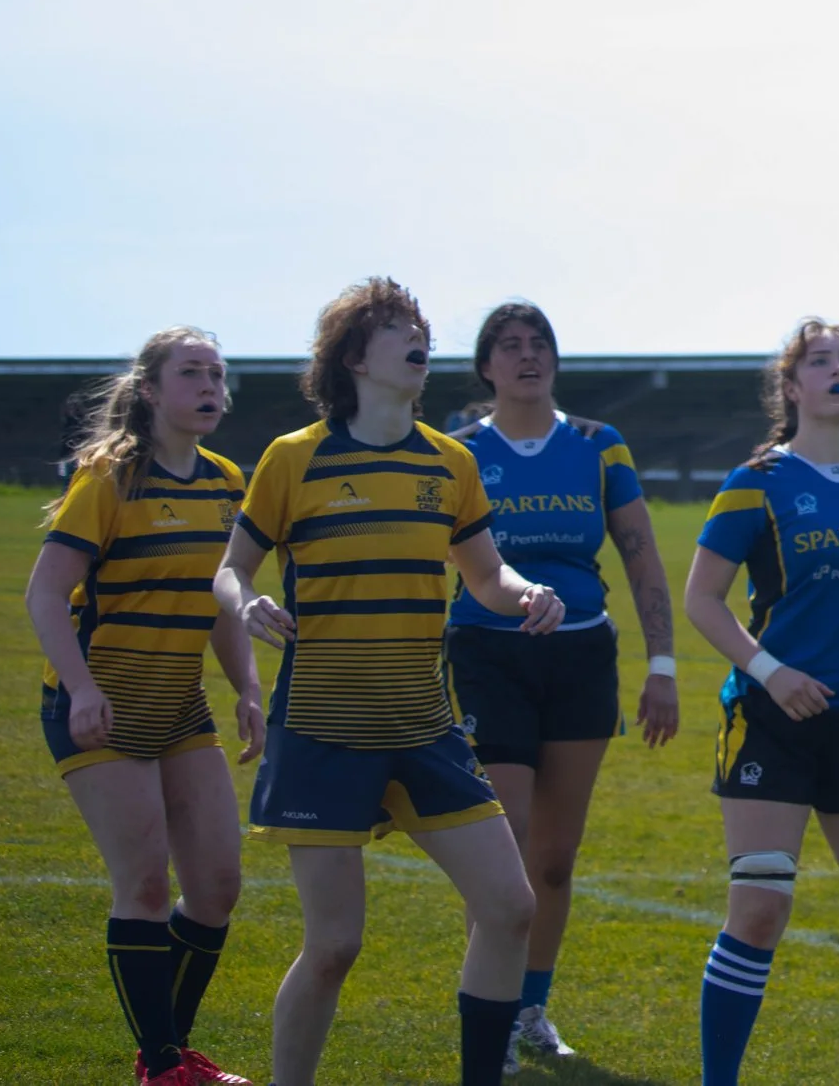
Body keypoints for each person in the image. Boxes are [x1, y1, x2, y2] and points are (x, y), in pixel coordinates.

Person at [214, 278, 565, 1086]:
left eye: (419, 325)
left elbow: (486, 575)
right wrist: (248, 600)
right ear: (352, 357)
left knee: (510, 906)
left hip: (423, 726)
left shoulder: (451, 460)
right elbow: (230, 569)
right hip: (323, 728)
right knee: (334, 945)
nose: (417, 337)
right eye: (395, 325)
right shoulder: (294, 457)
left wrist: (528, 593)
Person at [683, 318, 839, 1086]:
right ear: (790, 387)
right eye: (820, 360)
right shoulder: (758, 478)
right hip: (772, 717)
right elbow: (702, 598)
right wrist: (771, 672)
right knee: (759, 908)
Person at [22, 328, 263, 1086]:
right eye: (191, 373)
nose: (210, 386)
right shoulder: (111, 477)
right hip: (100, 706)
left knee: (217, 887)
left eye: (217, 374)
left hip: (179, 705)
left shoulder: (227, 482)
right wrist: (82, 688)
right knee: (148, 886)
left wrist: (248, 687)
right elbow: (44, 593)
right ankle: (163, 1066)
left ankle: (168, 1051)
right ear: (151, 390)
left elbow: (222, 603)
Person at [444, 301, 681, 1067]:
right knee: (506, 842)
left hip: (581, 655)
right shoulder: (460, 450)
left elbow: (641, 556)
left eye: (539, 342)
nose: (528, 355)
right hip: (489, 651)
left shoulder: (598, 445)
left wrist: (662, 666)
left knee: (554, 856)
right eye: (510, 345)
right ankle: (490, 1012)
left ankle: (529, 1010)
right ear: (486, 366)